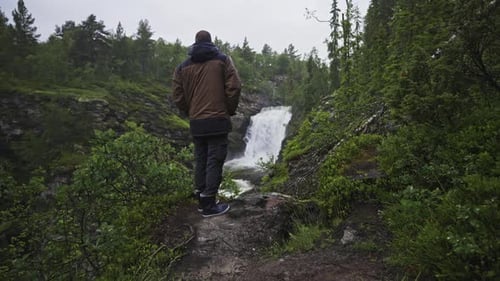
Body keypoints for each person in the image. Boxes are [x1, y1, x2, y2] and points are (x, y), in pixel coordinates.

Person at [172, 30, 241, 218]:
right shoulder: (223, 60)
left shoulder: (182, 67)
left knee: (201, 159)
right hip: (218, 119)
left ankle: (200, 198)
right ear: (211, 42)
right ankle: (209, 204)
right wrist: (229, 109)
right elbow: (234, 86)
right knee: (214, 160)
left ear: (194, 43)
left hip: (197, 121)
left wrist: (190, 111)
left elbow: (177, 95)